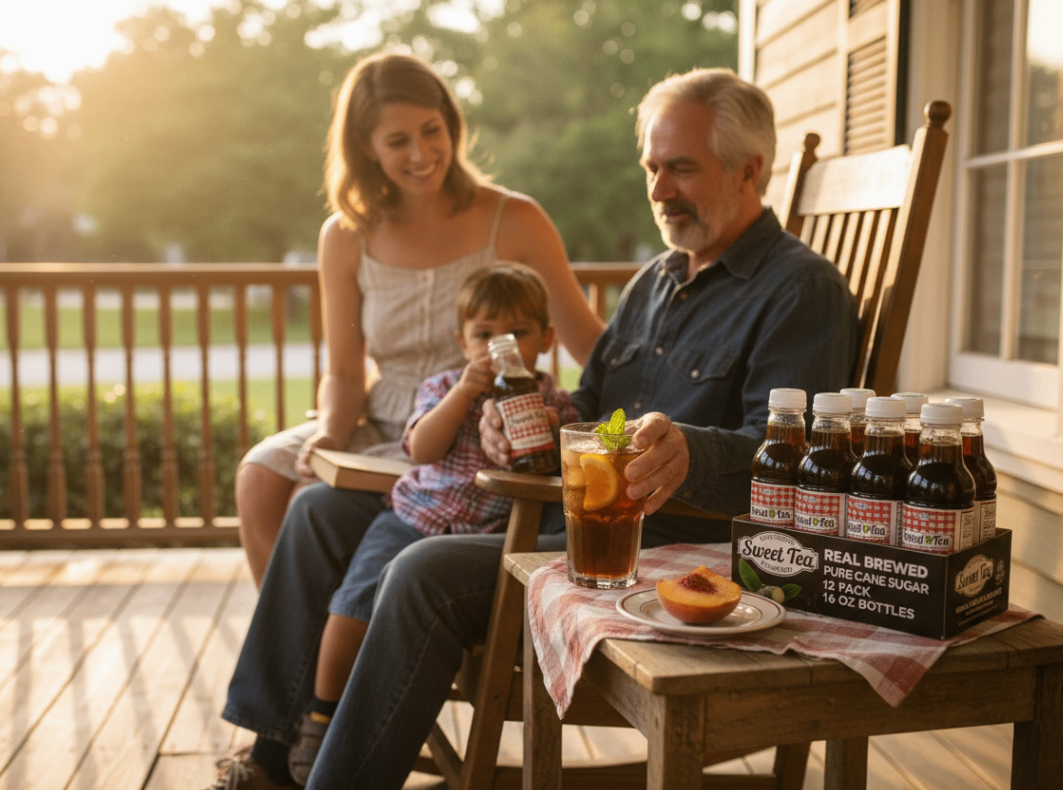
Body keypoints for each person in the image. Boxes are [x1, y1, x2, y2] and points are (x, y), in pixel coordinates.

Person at [208, 67, 858, 790]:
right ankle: (273, 759)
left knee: (421, 572)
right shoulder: (655, 281)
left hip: (667, 546)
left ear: (749, 171)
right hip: (564, 514)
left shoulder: (800, 291)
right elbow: (591, 404)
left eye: (681, 168)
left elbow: (794, 462)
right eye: (651, 168)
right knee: (318, 513)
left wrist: (687, 452)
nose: (658, 190)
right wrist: (531, 426)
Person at [234, 52, 604, 584]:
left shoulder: (516, 218)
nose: (421, 153)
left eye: (432, 131)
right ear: (365, 146)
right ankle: (301, 633)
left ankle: (336, 632)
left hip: (467, 436)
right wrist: (332, 434)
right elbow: (344, 372)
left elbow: (590, 344)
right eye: (397, 141)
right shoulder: (345, 235)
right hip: (377, 424)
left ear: (451, 123)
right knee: (258, 477)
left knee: (308, 502)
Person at [284, 264, 578, 785]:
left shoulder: (551, 401)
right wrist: (462, 394)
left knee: (396, 598)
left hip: (480, 536)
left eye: (517, 334)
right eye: (483, 335)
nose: (499, 348)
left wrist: (550, 435)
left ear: (546, 339)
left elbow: (559, 465)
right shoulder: (443, 386)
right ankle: (321, 713)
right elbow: (420, 448)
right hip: (412, 518)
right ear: (462, 342)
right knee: (352, 606)